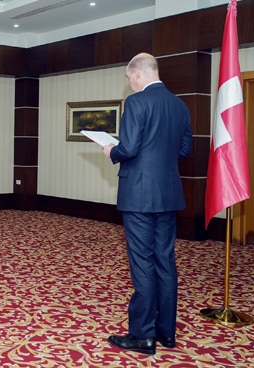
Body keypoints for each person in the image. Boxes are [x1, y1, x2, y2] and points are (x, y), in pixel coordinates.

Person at [103, 53, 192, 355]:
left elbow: (127, 148)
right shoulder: (180, 105)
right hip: (168, 195)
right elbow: (184, 149)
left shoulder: (137, 102)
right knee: (165, 262)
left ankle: (142, 335)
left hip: (139, 195)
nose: (129, 84)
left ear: (137, 73)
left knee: (142, 264)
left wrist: (110, 150)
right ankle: (166, 332)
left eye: (128, 78)